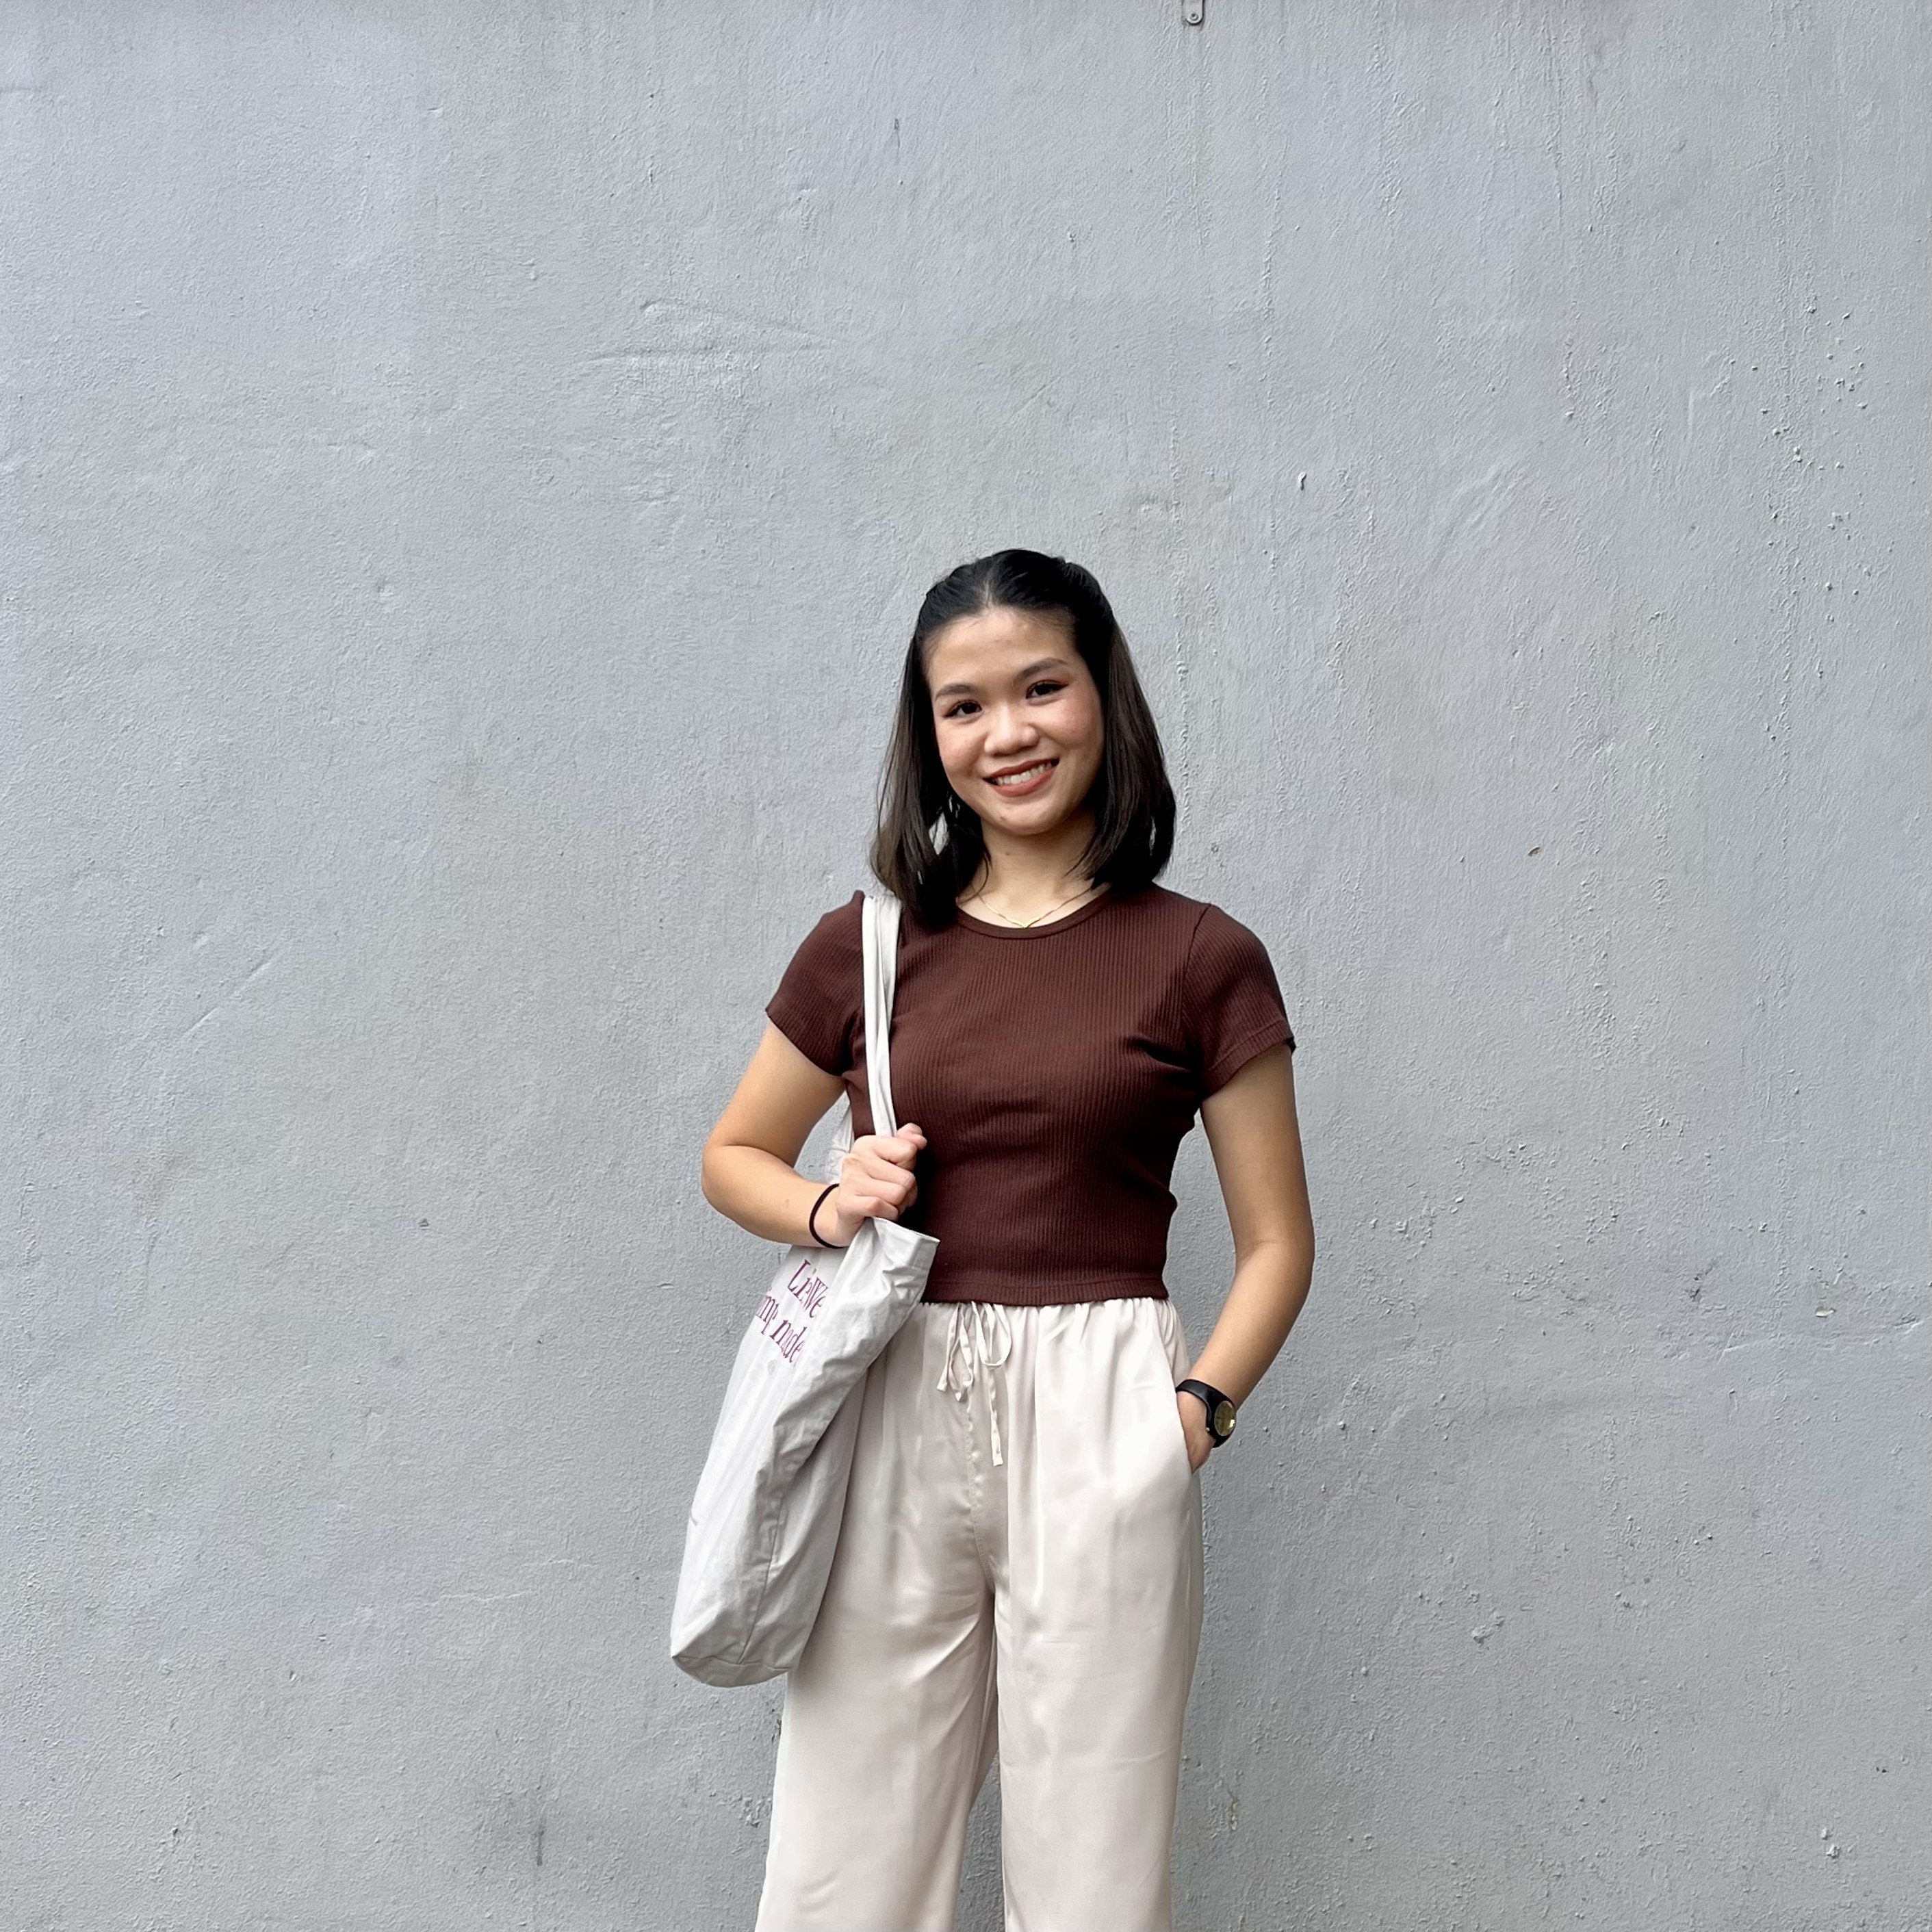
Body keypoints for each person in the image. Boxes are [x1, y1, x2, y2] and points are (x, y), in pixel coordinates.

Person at [699, 548, 1315, 1932]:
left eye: (1041, 687)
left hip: (1106, 1400)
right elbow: (732, 1156)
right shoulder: (866, 946)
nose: (1006, 733)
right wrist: (829, 1201)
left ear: (1104, 696)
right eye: (963, 705)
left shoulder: (1199, 956)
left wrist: (1190, 1417)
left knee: (1094, 1871)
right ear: (927, 735)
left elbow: (1279, 1240)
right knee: (842, 1863)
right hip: (893, 1391)